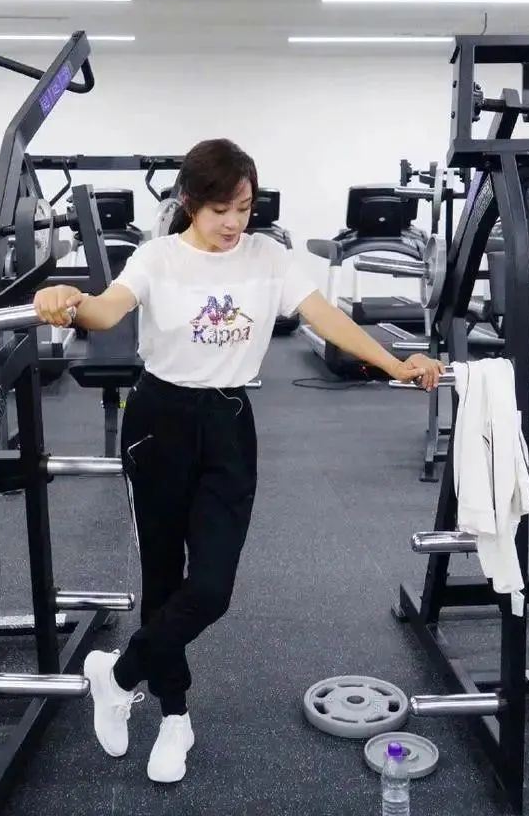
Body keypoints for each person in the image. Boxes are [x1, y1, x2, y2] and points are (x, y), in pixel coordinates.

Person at [34, 139, 443, 784]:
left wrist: (395, 363)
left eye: (244, 208)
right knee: (162, 578)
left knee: (210, 590)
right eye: (220, 208)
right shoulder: (158, 257)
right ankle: (174, 716)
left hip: (228, 423)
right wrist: (68, 298)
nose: (233, 222)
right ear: (190, 202)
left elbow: (326, 317)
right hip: (159, 421)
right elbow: (107, 309)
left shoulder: (268, 258)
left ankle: (117, 675)